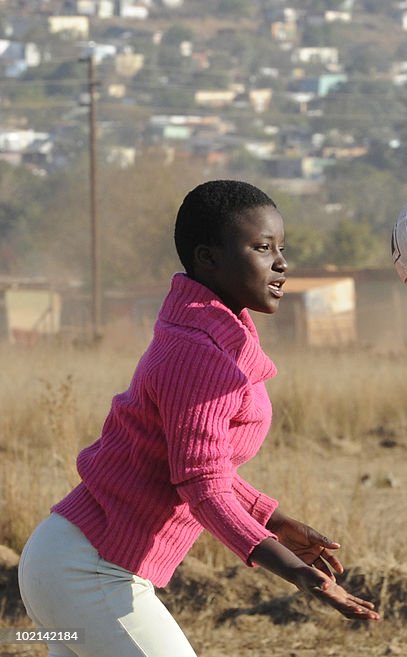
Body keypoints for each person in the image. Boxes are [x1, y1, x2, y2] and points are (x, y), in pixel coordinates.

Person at [18, 180, 380, 657]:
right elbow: (202, 484)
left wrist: (274, 520)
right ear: (208, 258)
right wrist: (295, 572)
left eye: (281, 247)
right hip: (88, 572)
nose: (281, 263)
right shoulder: (197, 353)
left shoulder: (208, 339)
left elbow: (191, 464)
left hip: (70, 563)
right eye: (261, 247)